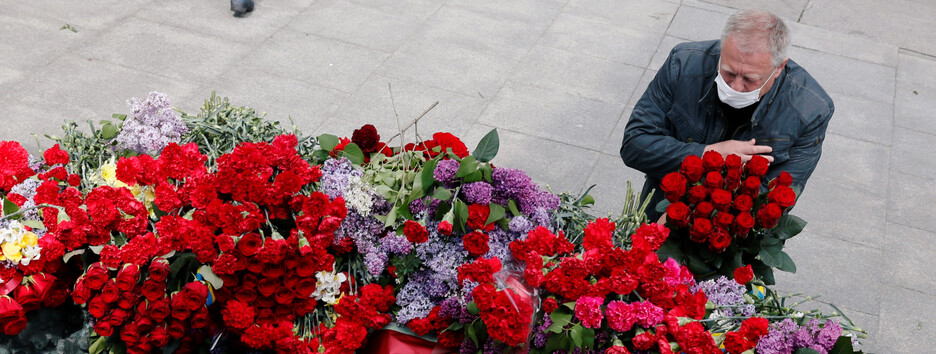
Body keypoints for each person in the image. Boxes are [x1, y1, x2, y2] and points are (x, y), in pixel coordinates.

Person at [620, 9, 833, 220]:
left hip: (736, 239)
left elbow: (775, 201)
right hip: (662, 210)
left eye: (750, 79)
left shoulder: (810, 110)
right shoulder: (683, 64)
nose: (736, 87)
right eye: (729, 72)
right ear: (721, 50)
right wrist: (707, 155)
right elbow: (635, 144)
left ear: (779, 68)